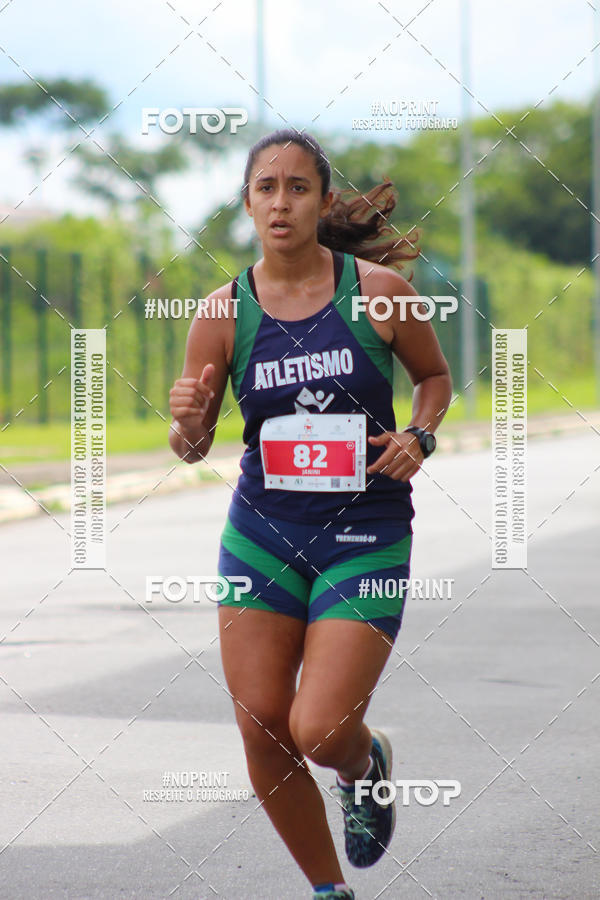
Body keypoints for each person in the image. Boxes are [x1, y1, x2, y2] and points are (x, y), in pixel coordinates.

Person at [169, 128, 452, 900]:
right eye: (267, 187)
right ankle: (329, 891)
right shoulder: (223, 311)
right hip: (263, 534)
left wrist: (419, 434)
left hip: (365, 534)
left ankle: (364, 765)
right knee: (262, 723)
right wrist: (187, 419)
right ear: (248, 203)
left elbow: (433, 376)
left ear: (324, 201)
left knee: (320, 728)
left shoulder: (380, 294)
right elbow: (193, 447)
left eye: (299, 187)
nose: (282, 201)